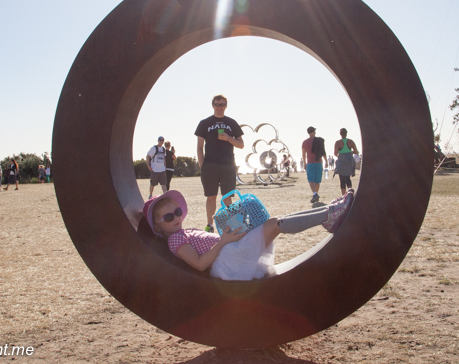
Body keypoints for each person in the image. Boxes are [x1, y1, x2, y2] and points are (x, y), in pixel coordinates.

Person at [143, 188, 355, 281]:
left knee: (270, 222)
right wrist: (223, 241)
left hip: (230, 251)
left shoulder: (183, 232)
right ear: (159, 226)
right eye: (169, 218)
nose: (176, 218)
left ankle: (327, 212)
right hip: (227, 261)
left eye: (177, 212)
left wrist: (231, 227)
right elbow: (199, 264)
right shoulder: (175, 239)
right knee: (273, 225)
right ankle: (328, 215)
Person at [195, 94, 244, 233]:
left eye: (222, 104)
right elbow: (199, 147)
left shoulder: (231, 122)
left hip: (228, 165)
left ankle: (234, 226)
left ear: (226, 106)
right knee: (211, 196)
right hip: (210, 165)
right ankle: (209, 225)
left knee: (227, 196)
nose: (219, 107)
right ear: (213, 106)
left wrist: (229, 138)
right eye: (217, 104)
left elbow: (241, 144)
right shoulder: (204, 123)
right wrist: (202, 165)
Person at [301, 126, 328, 203]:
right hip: (319, 162)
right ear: (313, 132)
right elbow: (323, 151)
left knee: (311, 180)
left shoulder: (305, 142)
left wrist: (304, 163)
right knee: (317, 181)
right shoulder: (319, 140)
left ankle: (315, 194)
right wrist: (326, 161)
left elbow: (303, 154)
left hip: (310, 163)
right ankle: (316, 194)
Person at [333, 128, 360, 194]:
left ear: (340, 134)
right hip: (349, 162)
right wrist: (350, 152)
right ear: (346, 133)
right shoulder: (351, 141)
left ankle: (343, 196)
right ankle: (350, 194)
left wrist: (341, 155)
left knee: (342, 179)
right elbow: (356, 152)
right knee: (348, 178)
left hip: (341, 162)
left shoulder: (338, 142)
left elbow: (335, 153)